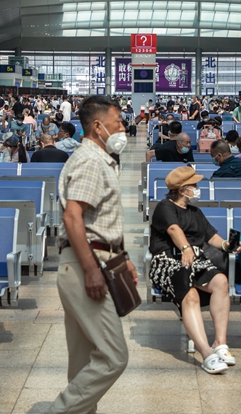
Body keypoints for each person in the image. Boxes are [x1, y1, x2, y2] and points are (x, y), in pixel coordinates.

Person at [50, 96, 135, 414]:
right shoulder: (89, 160)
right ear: (98, 126)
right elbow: (73, 217)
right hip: (86, 263)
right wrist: (91, 270)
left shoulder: (101, 159)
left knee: (84, 360)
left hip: (93, 260)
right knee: (114, 356)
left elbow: (99, 221)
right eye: (118, 122)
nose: (123, 127)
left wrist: (123, 258)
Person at [149, 167, 239, 374]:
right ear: (182, 189)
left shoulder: (195, 212)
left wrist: (226, 245)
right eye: (194, 186)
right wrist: (186, 248)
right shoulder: (165, 207)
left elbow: (210, 237)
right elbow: (173, 229)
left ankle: (220, 343)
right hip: (168, 260)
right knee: (190, 295)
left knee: (221, 282)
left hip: (194, 260)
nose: (197, 189)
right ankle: (206, 353)